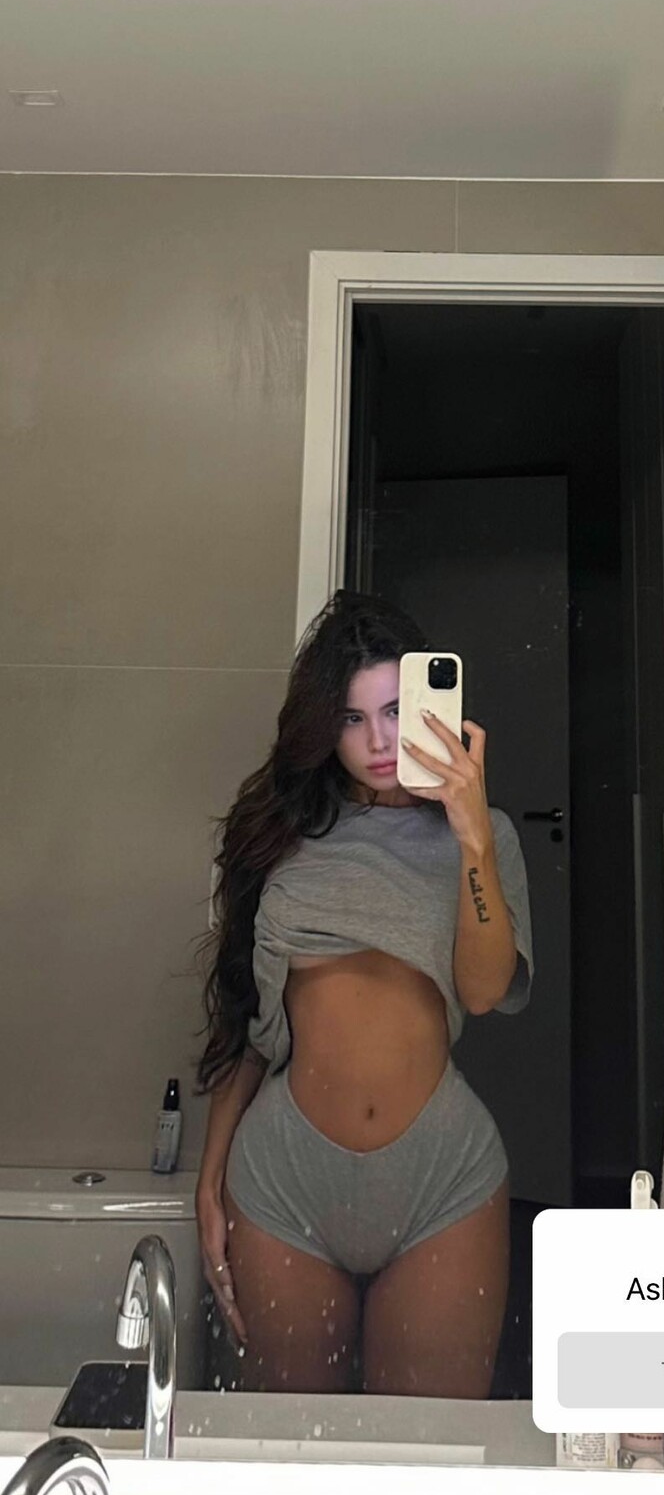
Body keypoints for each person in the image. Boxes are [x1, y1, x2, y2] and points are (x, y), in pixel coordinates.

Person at [194, 592, 533, 1398]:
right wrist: (209, 1181)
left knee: (428, 1452)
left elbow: (484, 990)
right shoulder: (282, 837)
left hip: (442, 1180)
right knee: (288, 1448)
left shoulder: (486, 836)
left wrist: (471, 835)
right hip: (285, 1179)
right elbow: (249, 1027)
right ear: (323, 726)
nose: (379, 742)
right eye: (352, 719)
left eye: (394, 711)